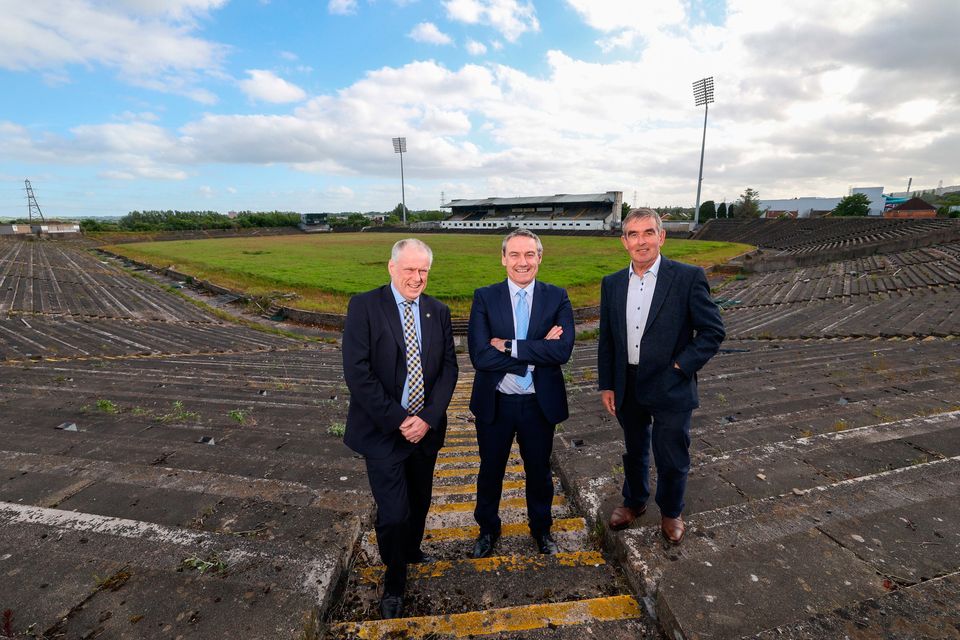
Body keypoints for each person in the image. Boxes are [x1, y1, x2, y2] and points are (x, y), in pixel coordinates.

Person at [342, 238, 458, 619]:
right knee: (393, 514)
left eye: (423, 270)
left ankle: (410, 551)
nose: (417, 277)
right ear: (392, 268)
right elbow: (358, 373)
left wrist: (426, 418)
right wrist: (399, 419)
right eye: (409, 269)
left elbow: (448, 370)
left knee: (420, 504)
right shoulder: (364, 306)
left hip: (425, 431)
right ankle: (394, 582)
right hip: (383, 431)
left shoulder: (437, 311)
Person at [597, 208, 724, 544]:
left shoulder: (687, 277)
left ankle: (671, 511)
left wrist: (680, 366)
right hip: (627, 382)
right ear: (624, 241)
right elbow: (607, 338)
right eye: (634, 234)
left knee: (671, 452)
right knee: (634, 448)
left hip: (671, 382)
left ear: (661, 236)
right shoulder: (611, 284)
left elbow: (712, 331)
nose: (642, 241)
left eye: (649, 233)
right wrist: (607, 383)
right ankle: (635, 501)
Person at [468, 228, 575, 558]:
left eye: (529, 254)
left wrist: (510, 347)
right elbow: (480, 355)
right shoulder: (485, 296)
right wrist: (535, 351)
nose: (522, 261)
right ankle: (488, 529)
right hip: (496, 402)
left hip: (538, 404)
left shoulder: (557, 296)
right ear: (503, 259)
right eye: (514, 254)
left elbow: (562, 351)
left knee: (540, 472)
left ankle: (541, 529)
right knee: (490, 470)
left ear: (540, 258)